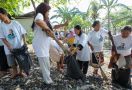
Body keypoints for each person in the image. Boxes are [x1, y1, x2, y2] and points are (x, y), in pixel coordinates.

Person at [0, 8, 27, 78]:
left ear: (5, 14)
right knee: (11, 62)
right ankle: (15, 73)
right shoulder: (1, 26)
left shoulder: (15, 23)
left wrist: (25, 43)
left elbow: (23, 33)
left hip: (19, 46)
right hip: (8, 48)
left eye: (0, 15)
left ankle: (20, 72)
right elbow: (2, 38)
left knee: (21, 60)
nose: (0, 18)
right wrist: (9, 46)